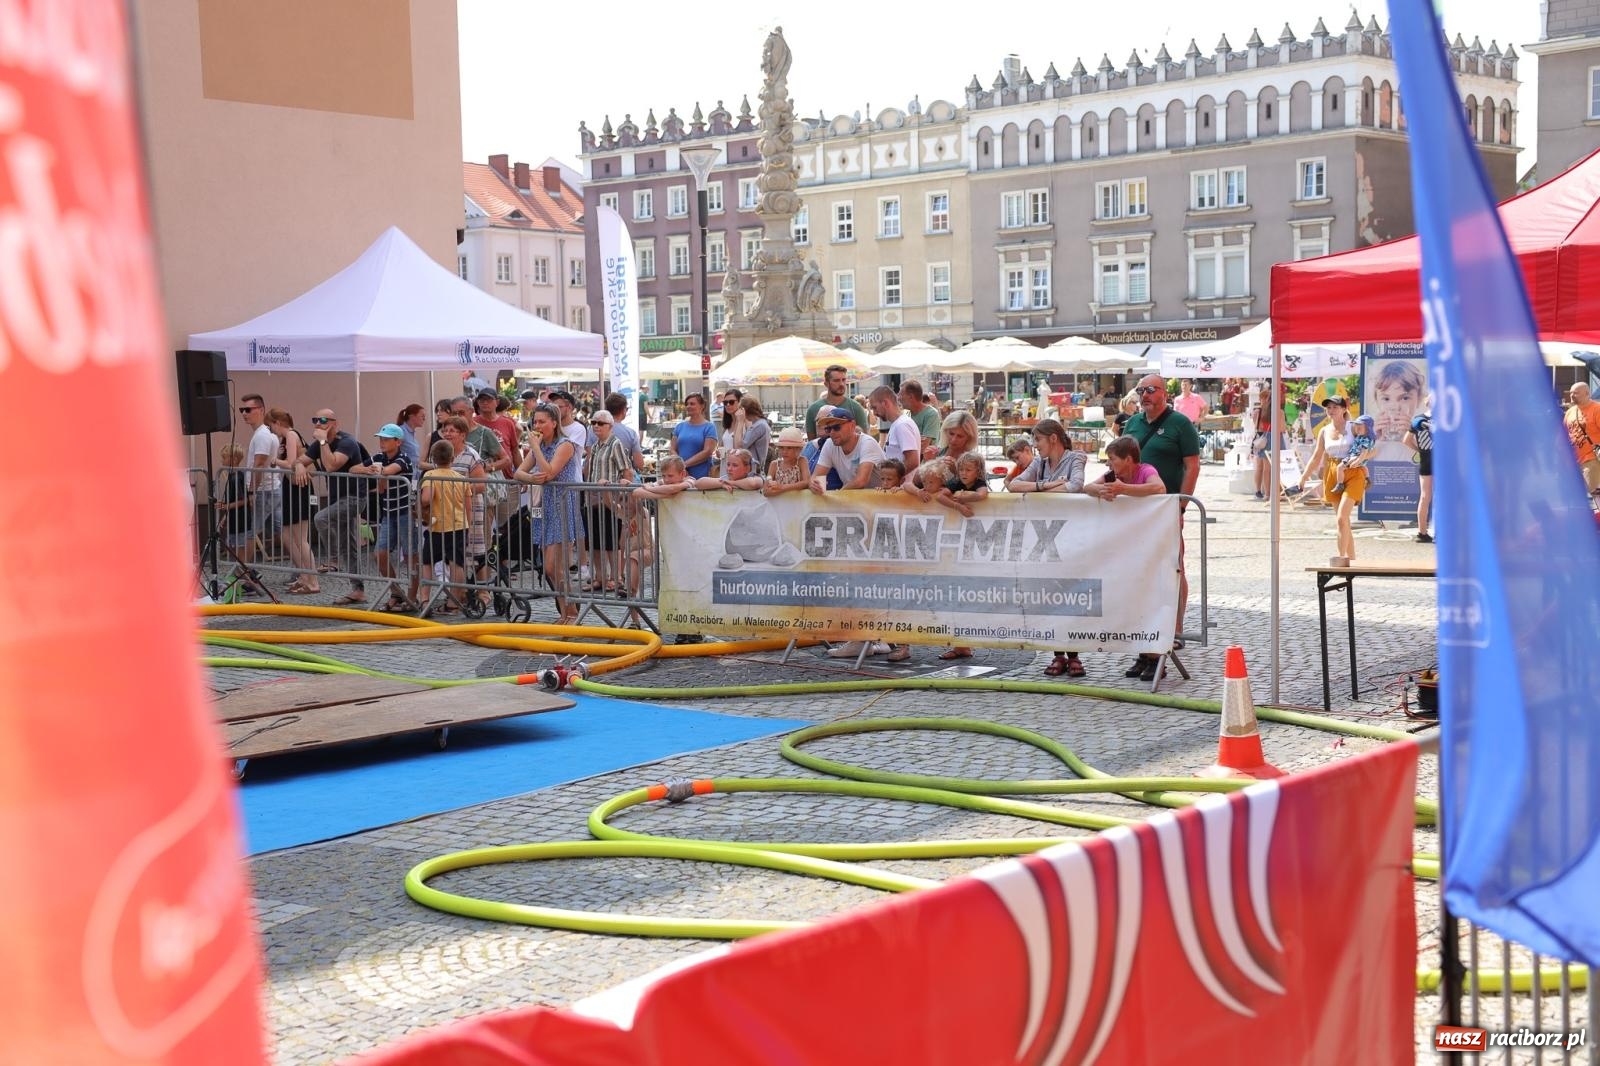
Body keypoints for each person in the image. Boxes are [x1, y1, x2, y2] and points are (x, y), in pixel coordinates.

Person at [1088, 374, 1200, 647]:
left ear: (1164, 393)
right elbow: (1122, 461)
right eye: (1140, 390)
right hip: (1133, 512)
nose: (1145, 395)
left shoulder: (1180, 424)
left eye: (1151, 390)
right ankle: (1144, 627)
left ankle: (1174, 629)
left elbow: (1192, 466)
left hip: (1165, 506)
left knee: (1174, 566)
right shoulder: (1134, 423)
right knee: (1141, 567)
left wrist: (1182, 504)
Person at [1008, 419, 1089, 679]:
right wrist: (1046, 486)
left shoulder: (1075, 458)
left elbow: (1075, 486)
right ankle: (1057, 654)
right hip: (1044, 535)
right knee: (1050, 594)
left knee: (1070, 593)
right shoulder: (1039, 464)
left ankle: (1074, 654)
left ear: (1053, 438)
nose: (1035, 446)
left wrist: (1044, 489)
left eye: (1038, 440)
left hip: (1069, 534)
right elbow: (1013, 485)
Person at [514, 403, 582, 625]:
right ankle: (565, 612)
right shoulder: (540, 445)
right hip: (545, 507)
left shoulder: (566, 445)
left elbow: (549, 472)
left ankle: (571, 612)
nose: (537, 426)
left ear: (554, 423)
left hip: (562, 505)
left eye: (542, 421)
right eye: (535, 422)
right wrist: (533, 478)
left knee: (555, 566)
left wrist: (535, 448)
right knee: (550, 567)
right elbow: (518, 473)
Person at [300, 409, 370, 605]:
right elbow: (301, 461)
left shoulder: (347, 442)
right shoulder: (319, 445)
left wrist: (322, 442)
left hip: (354, 497)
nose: (318, 424)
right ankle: (358, 590)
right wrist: (298, 466)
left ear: (334, 423)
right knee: (350, 546)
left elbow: (331, 465)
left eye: (322, 420)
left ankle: (332, 560)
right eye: (315, 420)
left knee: (320, 518)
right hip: (337, 499)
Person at [1297, 394, 1360, 566]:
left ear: (1344, 409)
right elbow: (1317, 457)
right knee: (1343, 520)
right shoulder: (1324, 431)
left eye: (1335, 407)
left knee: (1341, 518)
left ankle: (1340, 558)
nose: (1331, 410)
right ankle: (1352, 558)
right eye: (1329, 407)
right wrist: (1304, 477)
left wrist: (1361, 458)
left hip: (1352, 472)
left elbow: (1371, 446)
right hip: (1332, 473)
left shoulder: (1353, 427)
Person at [581, 409, 636, 595]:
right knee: (594, 540)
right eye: (593, 422)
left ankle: (616, 577)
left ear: (610, 426)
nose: (596, 426)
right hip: (593, 498)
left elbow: (626, 471)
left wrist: (620, 495)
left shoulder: (615, 444)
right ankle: (599, 577)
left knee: (612, 540)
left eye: (600, 423)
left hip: (609, 499)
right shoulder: (596, 446)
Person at [414, 440, 471, 614]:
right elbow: (468, 506)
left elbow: (426, 499)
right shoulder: (461, 478)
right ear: (453, 458)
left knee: (427, 562)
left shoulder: (430, 475)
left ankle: (424, 599)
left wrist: (420, 506)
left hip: (437, 526)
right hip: (459, 525)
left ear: (433, 458)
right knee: (457, 563)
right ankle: (455, 600)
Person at [266, 408, 317, 593]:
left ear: (277, 423)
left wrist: (274, 461)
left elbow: (291, 463)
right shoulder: (288, 438)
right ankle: (304, 576)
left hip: (298, 489)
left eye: (271, 426)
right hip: (292, 488)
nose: (271, 430)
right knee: (288, 535)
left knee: (300, 538)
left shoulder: (291, 435)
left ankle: (312, 581)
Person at [369, 424, 416, 612]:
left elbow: (389, 471)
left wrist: (376, 471)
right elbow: (355, 468)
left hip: (405, 513)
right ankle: (396, 592)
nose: (382, 442)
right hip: (388, 513)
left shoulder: (403, 458)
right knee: (379, 554)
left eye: (386, 439)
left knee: (411, 556)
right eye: (381, 438)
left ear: (398, 442)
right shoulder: (379, 458)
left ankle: (412, 598)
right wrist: (371, 470)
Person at [237, 394, 278, 567]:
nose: (244, 413)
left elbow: (259, 464)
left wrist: (252, 491)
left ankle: (242, 573)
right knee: (283, 532)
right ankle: (305, 572)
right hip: (269, 489)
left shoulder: (262, 435)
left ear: (261, 410)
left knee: (250, 532)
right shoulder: (264, 434)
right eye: (242, 410)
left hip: (263, 491)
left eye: (248, 409)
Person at [809, 406, 884, 493]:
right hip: (855, 500)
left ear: (852, 425)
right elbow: (817, 476)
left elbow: (861, 481)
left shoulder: (867, 443)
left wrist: (839, 493)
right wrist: (815, 485)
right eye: (828, 429)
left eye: (837, 427)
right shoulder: (829, 444)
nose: (832, 432)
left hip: (880, 501)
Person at [1369, 360, 1426, 460]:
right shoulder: (1370, 433)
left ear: (1419, 398)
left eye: (1405, 398)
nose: (1395, 407)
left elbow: (1430, 464)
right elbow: (1360, 466)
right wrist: (1373, 439)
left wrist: (1412, 437)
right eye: (1386, 399)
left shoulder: (1424, 432)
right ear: (1377, 400)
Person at [804, 364, 869, 439]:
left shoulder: (856, 407)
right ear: (826, 384)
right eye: (836, 380)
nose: (841, 384)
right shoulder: (813, 409)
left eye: (843, 380)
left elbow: (864, 438)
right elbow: (811, 442)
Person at [869, 385, 921, 472]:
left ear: (885, 403)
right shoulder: (899, 423)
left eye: (875, 407)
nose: (874, 413)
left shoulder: (902, 425)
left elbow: (912, 461)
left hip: (902, 484)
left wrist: (893, 478)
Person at [1403, 398, 1434, 542]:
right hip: (1437, 460)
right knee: (1431, 497)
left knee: (1425, 497)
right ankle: (1426, 532)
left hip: (1427, 459)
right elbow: (1406, 440)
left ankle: (1422, 532)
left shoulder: (1418, 419)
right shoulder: (1443, 419)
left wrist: (1420, 450)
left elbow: (1406, 440)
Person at [1250, 385, 1285, 500]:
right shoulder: (1279, 412)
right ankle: (1277, 492)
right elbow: (1282, 429)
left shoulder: (1259, 411)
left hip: (1264, 439)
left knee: (1264, 468)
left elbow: (1257, 427)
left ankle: (1266, 493)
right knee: (1277, 467)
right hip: (1276, 438)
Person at [473, 389, 522, 471]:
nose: (485, 402)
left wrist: (521, 475)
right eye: (481, 400)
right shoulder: (472, 422)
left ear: (497, 402)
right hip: (481, 477)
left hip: (506, 478)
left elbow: (515, 451)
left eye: (489, 399)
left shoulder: (507, 423)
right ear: (478, 402)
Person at [1565, 381, 1600, 495]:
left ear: (1587, 393)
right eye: (1571, 393)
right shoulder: (1570, 412)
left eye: (1576, 393)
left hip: (1592, 460)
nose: (1572, 395)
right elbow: (1563, 435)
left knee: (1595, 497)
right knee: (1574, 497)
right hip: (1573, 462)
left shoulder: (1597, 409)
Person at [672, 393, 718, 478]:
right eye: (687, 404)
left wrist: (684, 465)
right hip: (680, 474)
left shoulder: (709, 427)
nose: (688, 406)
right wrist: (679, 466)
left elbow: (707, 452)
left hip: (701, 475)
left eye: (692, 404)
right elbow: (672, 449)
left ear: (702, 406)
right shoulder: (679, 426)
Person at [1331, 415, 1376, 498]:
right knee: (1363, 467)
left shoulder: (1365, 439)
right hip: (1356, 457)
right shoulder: (1361, 437)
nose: (1357, 428)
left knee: (1340, 467)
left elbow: (1364, 453)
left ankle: (1340, 484)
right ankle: (1367, 479)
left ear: (1367, 428)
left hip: (1355, 457)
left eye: (1360, 426)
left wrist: (1357, 461)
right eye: (1356, 426)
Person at [604, 391, 647, 475]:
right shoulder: (630, 434)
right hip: (624, 482)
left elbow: (589, 460)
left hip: (597, 482)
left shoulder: (593, 430)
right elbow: (639, 464)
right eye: (626, 409)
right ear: (623, 410)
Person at [937, 453, 990, 517]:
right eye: (961, 469)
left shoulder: (979, 482)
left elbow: (982, 494)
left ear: (978, 472)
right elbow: (939, 496)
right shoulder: (956, 482)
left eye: (968, 470)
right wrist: (958, 507)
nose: (963, 473)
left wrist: (964, 499)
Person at [764, 427, 811, 495]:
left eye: (789, 448)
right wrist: (770, 488)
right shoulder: (774, 464)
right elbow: (765, 489)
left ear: (798, 449)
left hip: (798, 503)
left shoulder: (801, 461)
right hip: (779, 504)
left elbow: (806, 482)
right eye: (781, 448)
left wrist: (782, 487)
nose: (785, 452)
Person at [899, 379, 943, 454]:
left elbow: (924, 447)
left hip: (924, 463)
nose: (898, 398)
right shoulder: (906, 414)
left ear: (911, 397)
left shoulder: (931, 414)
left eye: (901, 395)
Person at [696, 448, 764, 491]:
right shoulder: (726, 479)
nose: (729, 469)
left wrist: (731, 483)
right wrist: (721, 484)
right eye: (728, 464)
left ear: (747, 468)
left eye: (735, 465)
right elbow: (698, 483)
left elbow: (753, 484)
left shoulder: (755, 477)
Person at [736, 395, 772, 472]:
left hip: (754, 469)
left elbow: (739, 445)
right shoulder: (759, 424)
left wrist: (740, 422)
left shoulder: (759, 425)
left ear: (745, 410)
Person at [396, 403, 426, 470]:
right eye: (422, 416)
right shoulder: (401, 431)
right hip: (405, 473)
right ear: (412, 416)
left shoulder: (412, 433)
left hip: (414, 474)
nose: (424, 419)